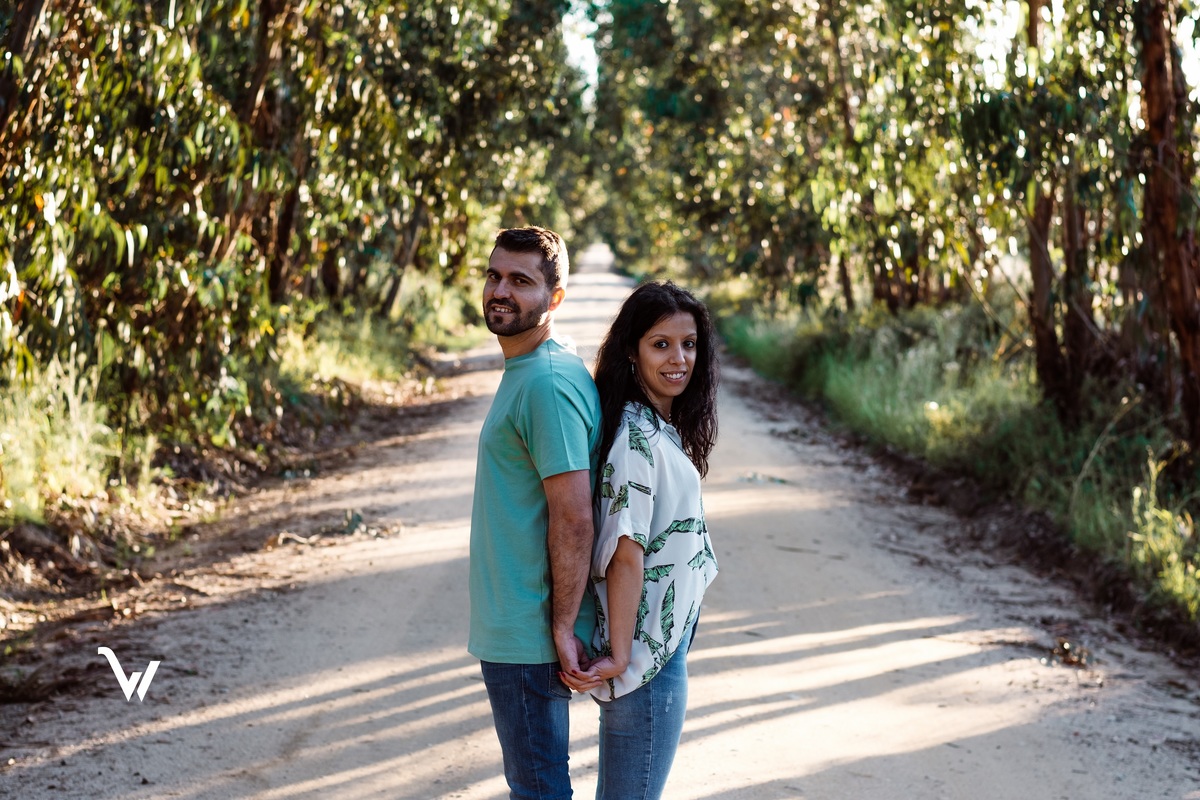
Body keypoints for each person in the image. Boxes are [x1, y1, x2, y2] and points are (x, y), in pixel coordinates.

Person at [565, 281, 720, 800]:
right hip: (647, 660)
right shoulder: (636, 438)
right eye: (661, 344)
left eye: (689, 344)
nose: (679, 359)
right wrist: (621, 655)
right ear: (632, 352)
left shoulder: (652, 426)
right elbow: (625, 555)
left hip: (656, 649)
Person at [468, 226, 601, 800]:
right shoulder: (535, 367)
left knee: (539, 791)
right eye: (494, 276)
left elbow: (574, 517)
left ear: (555, 297)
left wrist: (562, 627)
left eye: (520, 281)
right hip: (519, 627)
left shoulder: (545, 383)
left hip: (529, 633)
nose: (501, 290)